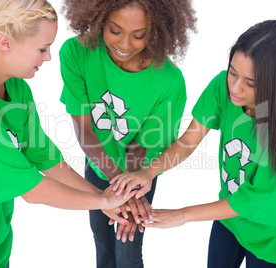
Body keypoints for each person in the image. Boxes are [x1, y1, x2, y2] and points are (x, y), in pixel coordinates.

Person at [0, 1, 136, 267]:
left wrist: (102, 199)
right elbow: (33, 190)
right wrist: (102, 200)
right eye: (42, 48)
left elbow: (46, 159)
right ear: (5, 43)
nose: (48, 57)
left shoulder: (16, 88)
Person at [111, 20, 276, 267]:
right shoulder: (222, 87)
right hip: (229, 219)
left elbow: (252, 201)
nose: (235, 88)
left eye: (251, 83)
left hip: (270, 237)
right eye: (233, 72)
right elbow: (188, 141)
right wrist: (148, 172)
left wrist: (182, 215)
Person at [59, 0, 197, 267]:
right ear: (99, 19)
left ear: (156, 30)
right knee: (102, 240)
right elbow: (85, 128)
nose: (124, 45)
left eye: (139, 35)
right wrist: (113, 182)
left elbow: (141, 147)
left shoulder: (168, 82)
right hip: (99, 166)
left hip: (139, 176)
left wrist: (129, 191)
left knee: (128, 250)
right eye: (114, 30)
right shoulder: (76, 53)